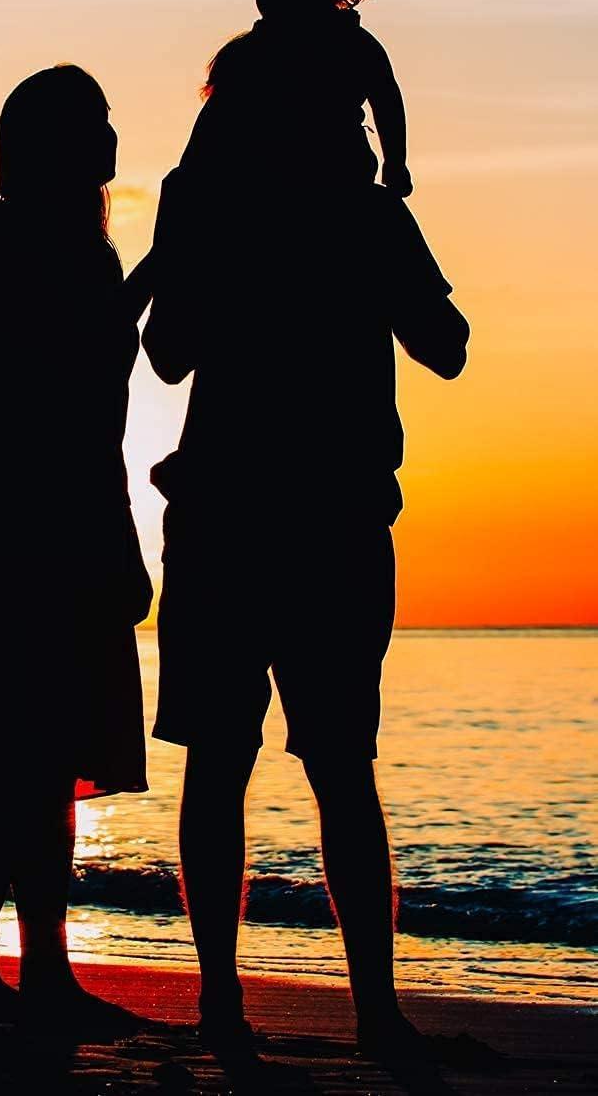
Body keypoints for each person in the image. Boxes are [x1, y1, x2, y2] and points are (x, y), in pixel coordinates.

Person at [142, 60, 469, 1067]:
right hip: (332, 525)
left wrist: (187, 235)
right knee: (340, 769)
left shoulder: (222, 218)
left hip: (225, 521)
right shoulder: (368, 219)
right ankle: (374, 1012)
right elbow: (448, 347)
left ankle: (221, 1008)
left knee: (218, 766)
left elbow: (165, 355)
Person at [0, 64, 154, 1036]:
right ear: (58, 141)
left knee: (46, 754)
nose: (113, 138)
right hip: (33, 525)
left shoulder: (53, 247)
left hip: (56, 519)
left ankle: (39, 970)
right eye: (97, 124)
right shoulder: (9, 244)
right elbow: (76, 379)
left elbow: (97, 396)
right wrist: (161, 268)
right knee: (16, 759)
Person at [181, 0, 413, 199]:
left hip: (339, 183)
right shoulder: (247, 56)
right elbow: (211, 127)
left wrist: (395, 163)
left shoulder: (353, 47)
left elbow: (387, 102)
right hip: (263, 185)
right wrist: (190, 175)